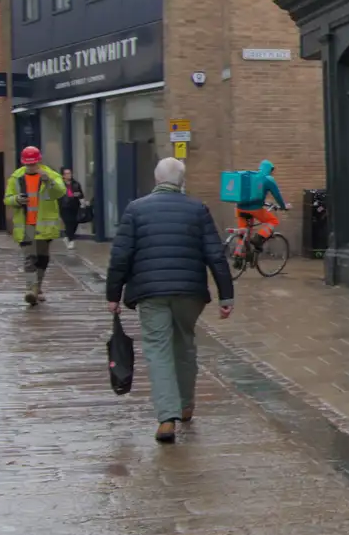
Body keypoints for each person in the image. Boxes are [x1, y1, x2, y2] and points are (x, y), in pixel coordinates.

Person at [105, 158, 234, 444]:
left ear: (156, 178)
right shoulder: (197, 209)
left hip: (151, 293)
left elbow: (120, 256)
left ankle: (166, 418)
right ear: (181, 180)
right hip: (190, 292)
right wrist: (226, 295)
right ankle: (186, 405)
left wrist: (113, 295)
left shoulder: (136, 209)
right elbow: (215, 254)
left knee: (158, 350)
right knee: (185, 345)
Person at [4, 147, 67, 306]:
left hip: (45, 226)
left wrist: (49, 181)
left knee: (42, 258)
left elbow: (60, 192)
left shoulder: (51, 175)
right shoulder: (16, 177)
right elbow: (7, 199)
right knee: (30, 258)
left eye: (33, 164)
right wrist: (17, 199)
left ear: (39, 160)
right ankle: (31, 289)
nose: (31, 167)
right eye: (28, 164)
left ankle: (37, 286)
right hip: (26, 225)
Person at [235, 159, 289, 251]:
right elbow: (277, 195)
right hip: (255, 209)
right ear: (269, 169)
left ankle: (238, 254)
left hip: (240, 208)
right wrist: (283, 206)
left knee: (243, 233)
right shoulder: (268, 179)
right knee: (273, 220)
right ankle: (259, 238)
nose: (272, 173)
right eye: (272, 171)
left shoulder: (250, 176)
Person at [59, 166, 87, 250]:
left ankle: (67, 237)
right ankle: (71, 240)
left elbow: (81, 194)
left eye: (69, 173)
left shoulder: (76, 184)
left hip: (74, 206)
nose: (69, 175)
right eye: (66, 174)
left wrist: (83, 202)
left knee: (75, 223)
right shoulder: (60, 184)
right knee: (68, 223)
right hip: (64, 206)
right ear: (63, 175)